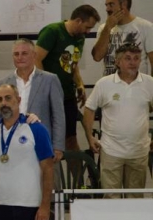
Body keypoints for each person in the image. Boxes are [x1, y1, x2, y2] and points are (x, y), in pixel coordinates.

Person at [0, 84, 54, 220]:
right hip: (0, 204)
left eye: (8, 98)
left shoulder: (35, 128)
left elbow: (48, 168)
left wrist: (45, 205)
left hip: (31, 205)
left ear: (18, 100)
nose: (4, 103)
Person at [83, 43, 153, 199]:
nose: (133, 62)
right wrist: (89, 137)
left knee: (135, 199)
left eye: (136, 58)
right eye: (128, 58)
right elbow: (89, 109)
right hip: (111, 151)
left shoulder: (150, 83)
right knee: (111, 199)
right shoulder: (104, 84)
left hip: (139, 151)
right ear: (117, 62)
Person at [36, 5, 100, 154]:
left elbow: (72, 63)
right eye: (87, 27)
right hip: (48, 97)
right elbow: (36, 60)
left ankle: (77, 178)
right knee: (47, 140)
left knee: (71, 140)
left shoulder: (79, 38)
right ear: (78, 20)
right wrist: (47, 90)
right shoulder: (53, 31)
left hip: (67, 95)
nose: (88, 31)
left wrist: (79, 84)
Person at [0, 39, 66, 161]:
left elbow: (58, 115)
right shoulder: (3, 83)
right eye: (16, 54)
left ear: (34, 55)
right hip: (11, 143)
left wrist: (58, 146)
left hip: (41, 143)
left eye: (24, 53)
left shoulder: (50, 80)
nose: (20, 57)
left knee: (47, 178)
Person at [91, 0, 153, 76]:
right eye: (106, 5)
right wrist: (108, 27)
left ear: (124, 4)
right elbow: (97, 57)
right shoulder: (103, 28)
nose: (107, 9)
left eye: (111, 4)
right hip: (110, 85)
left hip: (137, 85)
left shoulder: (145, 27)